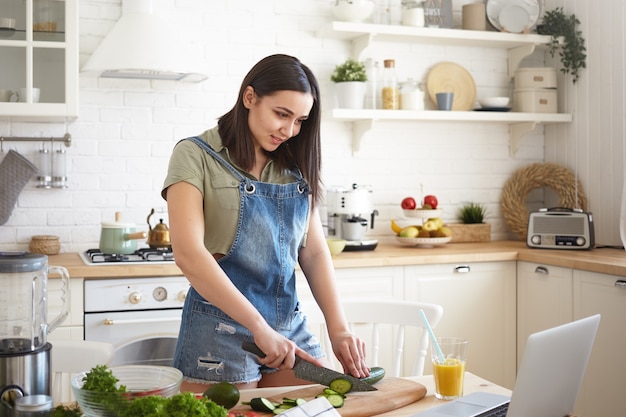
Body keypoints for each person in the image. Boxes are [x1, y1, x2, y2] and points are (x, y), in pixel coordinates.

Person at [162, 54, 369, 392]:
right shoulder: (194, 155)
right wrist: (258, 326)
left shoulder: (295, 165)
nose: (289, 131)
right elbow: (188, 254)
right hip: (218, 331)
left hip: (287, 326)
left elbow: (313, 254)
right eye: (281, 114)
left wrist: (339, 328)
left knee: (321, 405)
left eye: (300, 120)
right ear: (249, 98)